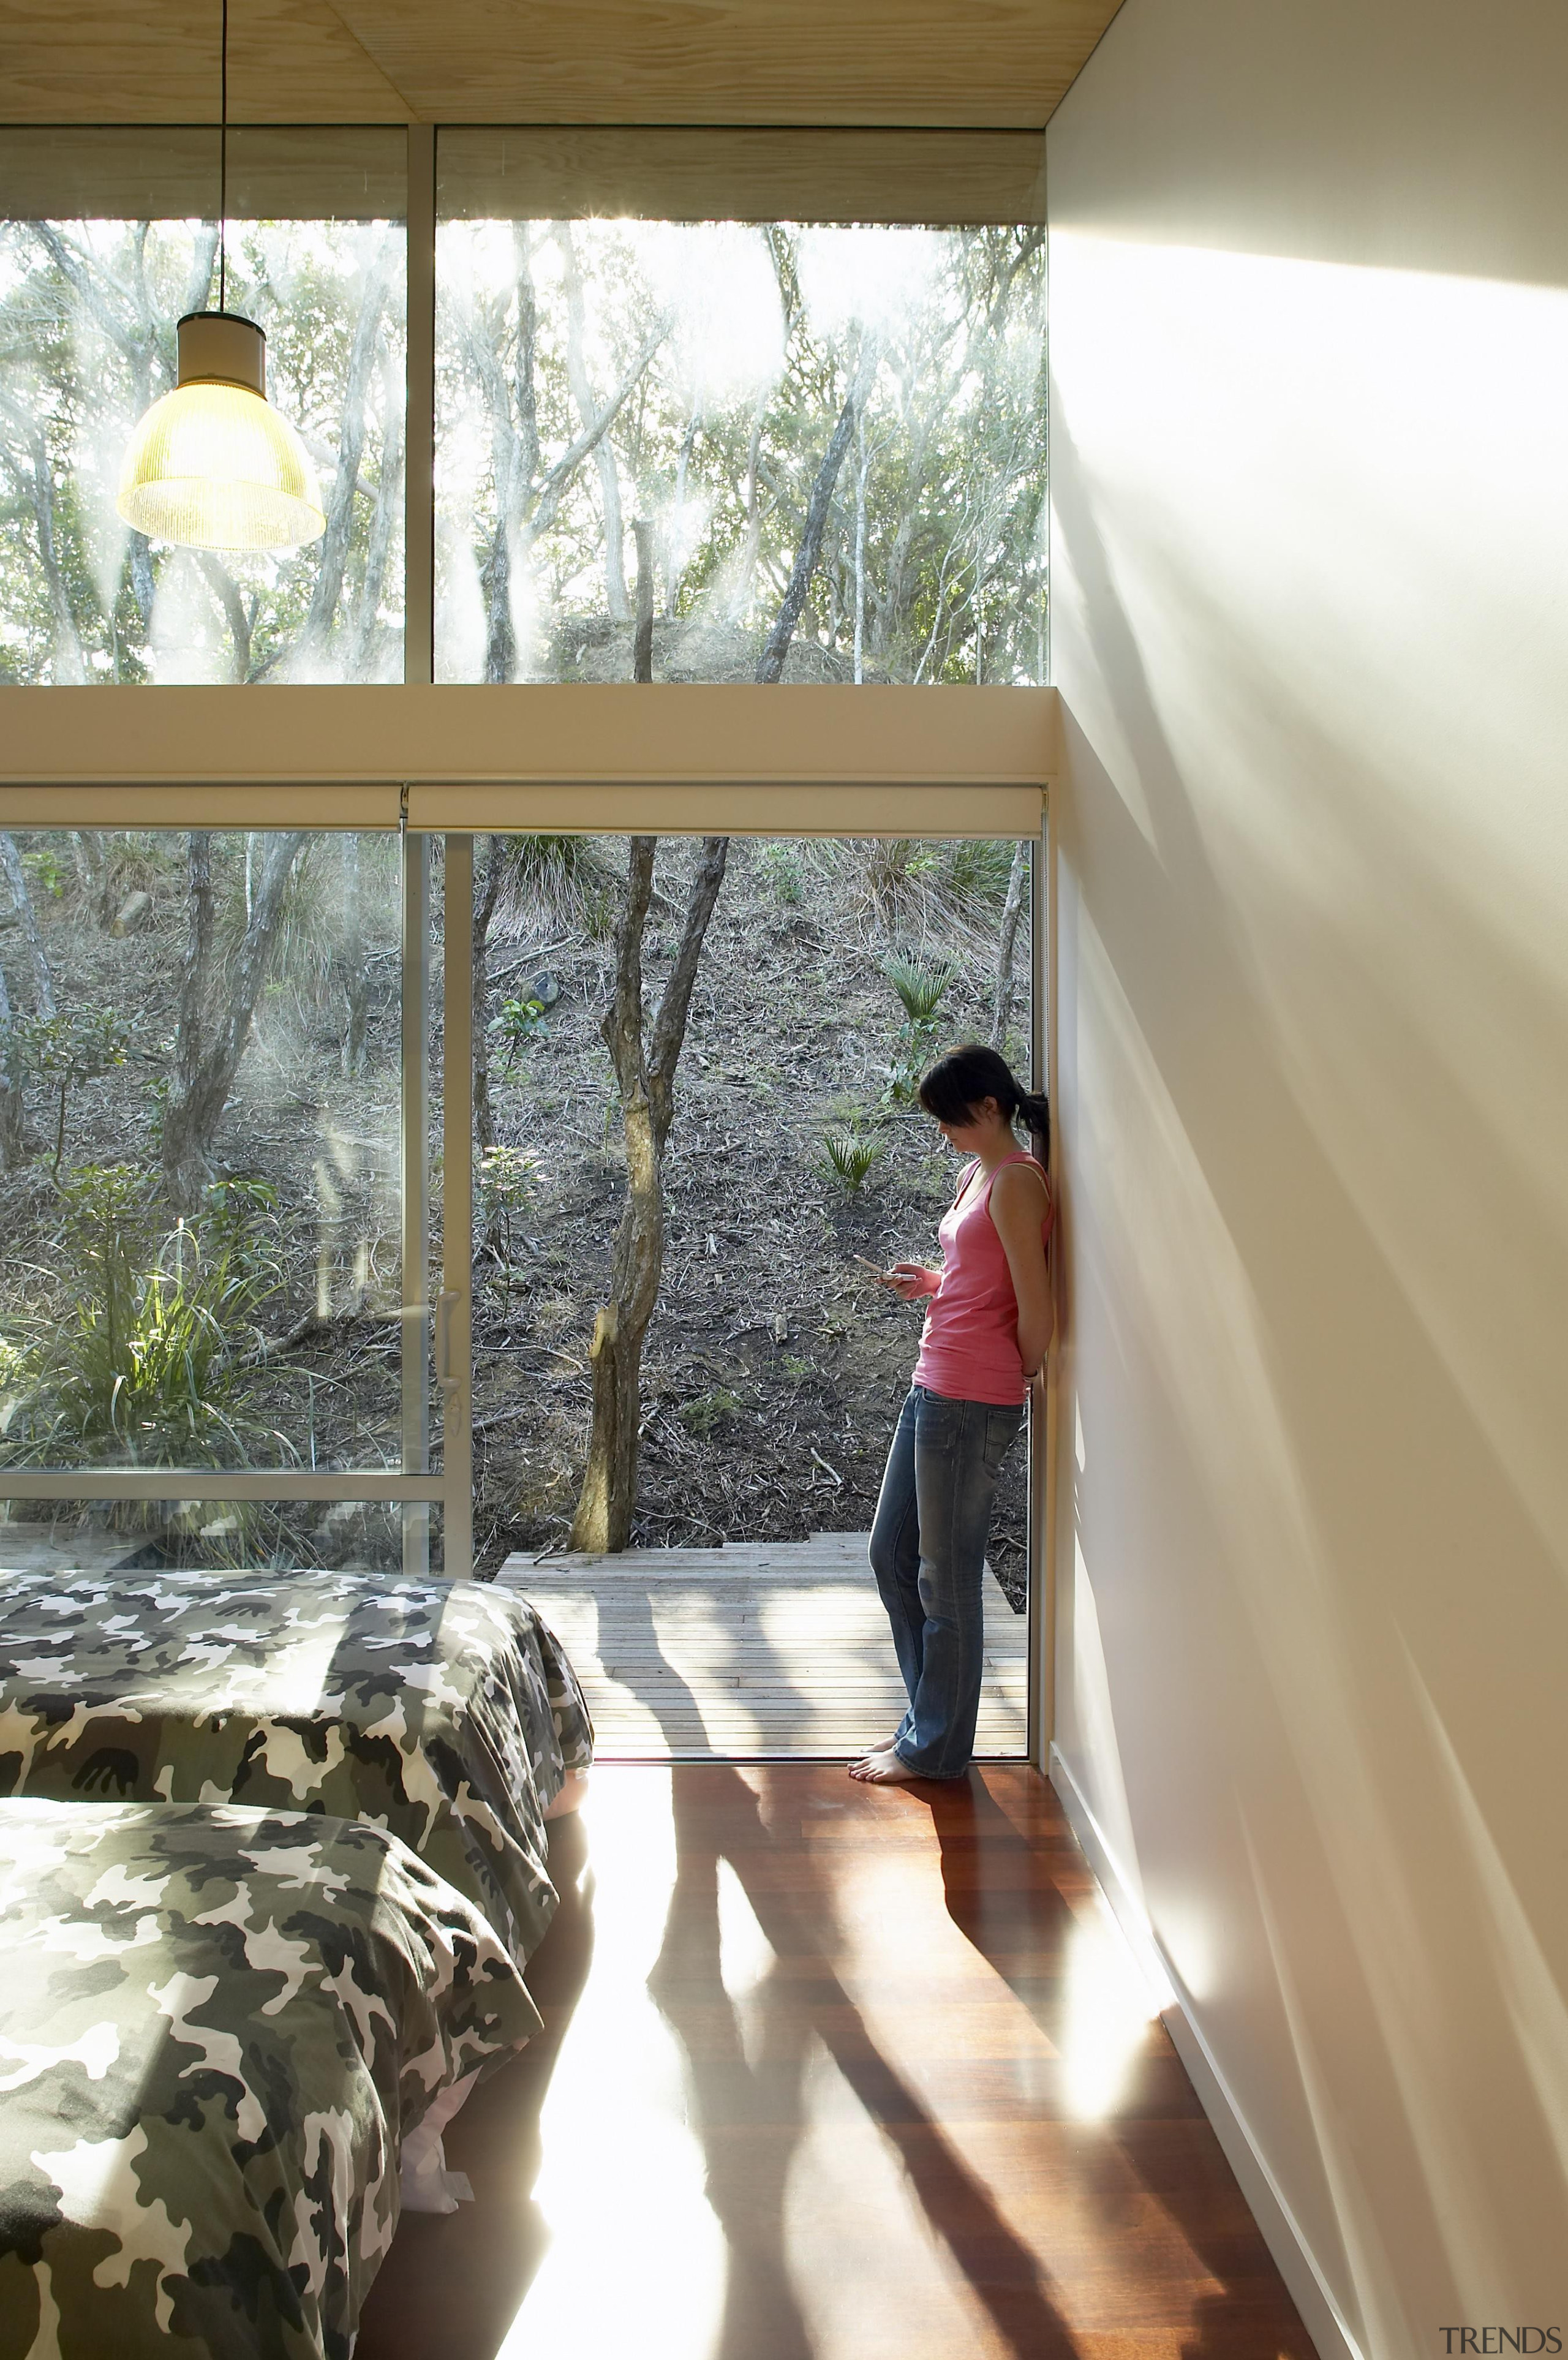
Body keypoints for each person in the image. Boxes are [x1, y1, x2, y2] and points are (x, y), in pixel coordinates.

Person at [850, 1043, 1054, 1786]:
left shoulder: (1018, 1182)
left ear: (989, 1108)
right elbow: (985, 1274)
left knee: (947, 1579)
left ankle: (934, 1746)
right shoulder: (976, 1172)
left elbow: (1035, 1306)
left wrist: (1021, 1372)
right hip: (932, 1381)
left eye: (950, 1119)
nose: (944, 1133)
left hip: (972, 1395)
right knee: (891, 1554)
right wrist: (936, 1281)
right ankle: (927, 1719)